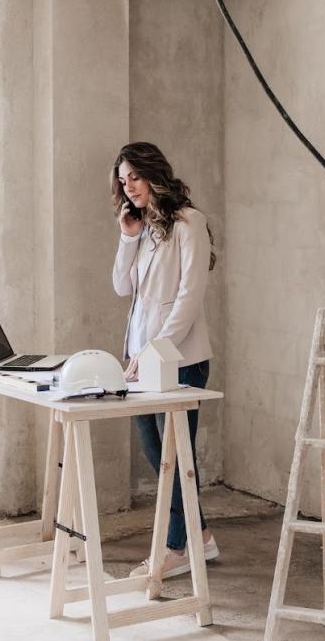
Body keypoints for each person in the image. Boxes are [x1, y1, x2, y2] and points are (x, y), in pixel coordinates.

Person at [111, 141, 218, 579]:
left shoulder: (190, 223)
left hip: (178, 361)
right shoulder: (145, 229)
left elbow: (189, 297)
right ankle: (201, 536)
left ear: (155, 173)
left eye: (134, 176)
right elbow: (122, 287)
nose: (129, 187)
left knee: (177, 457)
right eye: (122, 180)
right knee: (164, 460)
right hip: (138, 362)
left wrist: (156, 351)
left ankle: (176, 548)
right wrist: (127, 237)